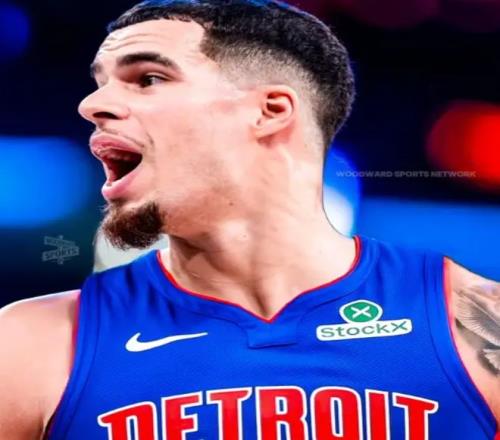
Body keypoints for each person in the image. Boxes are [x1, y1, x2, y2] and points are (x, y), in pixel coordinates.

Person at [1, 0, 498, 438]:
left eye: (149, 79)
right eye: (101, 83)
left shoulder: (473, 322)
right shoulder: (32, 344)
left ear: (270, 111)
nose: (92, 105)